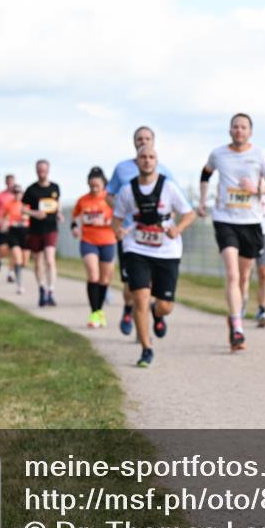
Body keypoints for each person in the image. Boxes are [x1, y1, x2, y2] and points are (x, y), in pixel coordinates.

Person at [112, 144, 195, 368]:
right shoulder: (127, 190)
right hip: (137, 249)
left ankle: (157, 315)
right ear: (137, 162)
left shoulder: (168, 188)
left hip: (167, 250)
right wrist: (118, 230)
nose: (147, 160)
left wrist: (177, 229)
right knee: (140, 297)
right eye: (143, 157)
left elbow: (189, 213)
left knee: (165, 305)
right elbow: (117, 218)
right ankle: (146, 349)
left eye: (151, 157)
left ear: (156, 162)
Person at [197, 113, 265, 350]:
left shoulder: (259, 155)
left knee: (244, 277)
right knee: (232, 274)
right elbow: (205, 173)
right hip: (224, 219)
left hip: (251, 220)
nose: (239, 130)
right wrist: (203, 200)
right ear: (230, 131)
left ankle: (236, 312)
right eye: (235, 127)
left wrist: (257, 189)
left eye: (243, 127)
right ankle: (238, 328)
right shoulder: (218, 154)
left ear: (250, 131)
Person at [106, 126, 175, 337]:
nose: (142, 141)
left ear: (154, 141)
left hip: (155, 235)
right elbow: (109, 194)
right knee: (130, 285)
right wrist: (121, 215)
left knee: (151, 283)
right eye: (139, 138)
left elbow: (173, 199)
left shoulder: (163, 169)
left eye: (147, 138)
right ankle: (129, 309)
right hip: (130, 234)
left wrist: (170, 224)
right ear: (133, 142)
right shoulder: (122, 169)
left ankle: (156, 314)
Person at [72, 167, 116, 328]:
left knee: (105, 279)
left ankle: (99, 311)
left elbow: (121, 218)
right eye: (91, 185)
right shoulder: (83, 200)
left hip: (108, 240)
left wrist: (105, 222)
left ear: (104, 184)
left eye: (97, 185)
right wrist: (74, 227)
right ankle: (94, 312)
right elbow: (75, 217)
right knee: (93, 276)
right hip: (88, 240)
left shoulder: (110, 200)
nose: (94, 188)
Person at [22, 160, 62, 306]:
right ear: (36, 171)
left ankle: (51, 291)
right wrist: (34, 213)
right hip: (35, 230)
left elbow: (58, 204)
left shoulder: (55, 187)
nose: (41, 173)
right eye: (39, 170)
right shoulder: (31, 190)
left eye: (44, 170)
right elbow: (22, 208)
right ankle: (42, 288)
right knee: (38, 262)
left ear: (48, 170)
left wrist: (59, 214)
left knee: (50, 260)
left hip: (51, 228)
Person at [0, 174, 17, 282]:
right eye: (9, 182)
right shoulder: (0, 195)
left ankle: (10, 274)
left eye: (12, 182)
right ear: (6, 183)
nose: (11, 184)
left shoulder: (18, 195)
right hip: (1, 226)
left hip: (14, 226)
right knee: (4, 250)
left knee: (14, 250)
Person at [2, 185, 30, 294]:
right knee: (17, 258)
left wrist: (26, 217)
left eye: (19, 193)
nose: (17, 195)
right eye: (15, 193)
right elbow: (5, 217)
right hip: (13, 232)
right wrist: (5, 224)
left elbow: (32, 216)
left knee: (24, 262)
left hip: (25, 233)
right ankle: (20, 285)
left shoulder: (27, 205)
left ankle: (11, 271)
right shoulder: (9, 205)